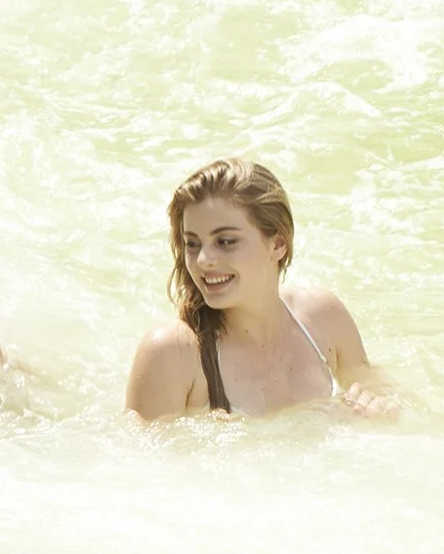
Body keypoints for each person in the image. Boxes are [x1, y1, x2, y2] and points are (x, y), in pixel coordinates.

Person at [126, 157, 386, 421]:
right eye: (192, 243)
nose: (203, 260)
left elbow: (387, 399)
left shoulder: (323, 318)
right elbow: (132, 458)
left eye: (225, 241)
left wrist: (382, 413)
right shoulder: (172, 354)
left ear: (277, 245)